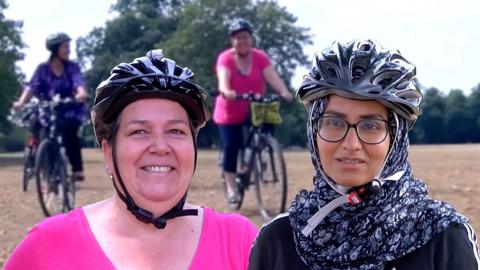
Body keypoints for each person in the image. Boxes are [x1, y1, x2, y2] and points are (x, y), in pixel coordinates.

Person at [4, 49, 259, 269]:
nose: (160, 147)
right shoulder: (48, 246)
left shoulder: (240, 241)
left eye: (175, 131)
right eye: (139, 132)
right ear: (108, 152)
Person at [248, 39, 480, 269]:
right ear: (313, 131)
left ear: (395, 138)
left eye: (371, 126)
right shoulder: (278, 240)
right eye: (334, 122)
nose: (351, 143)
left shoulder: (443, 238)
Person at [213, 18, 293, 206]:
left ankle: (256, 156)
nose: (243, 41)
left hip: (255, 107)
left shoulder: (260, 57)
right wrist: (226, 91)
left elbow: (273, 77)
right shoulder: (225, 58)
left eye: (246, 37)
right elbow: (223, 78)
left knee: (266, 130)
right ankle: (233, 188)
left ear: (251, 39)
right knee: (232, 145)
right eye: (238, 37)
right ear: (232, 40)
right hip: (229, 110)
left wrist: (283, 92)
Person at [12, 32, 88, 181]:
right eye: (65, 47)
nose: (68, 50)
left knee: (70, 133)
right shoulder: (42, 69)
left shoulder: (72, 68)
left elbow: (78, 82)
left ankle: (77, 169)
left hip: (68, 111)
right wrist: (21, 102)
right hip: (47, 111)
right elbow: (32, 87)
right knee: (44, 136)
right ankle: (50, 173)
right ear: (55, 49)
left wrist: (81, 93)